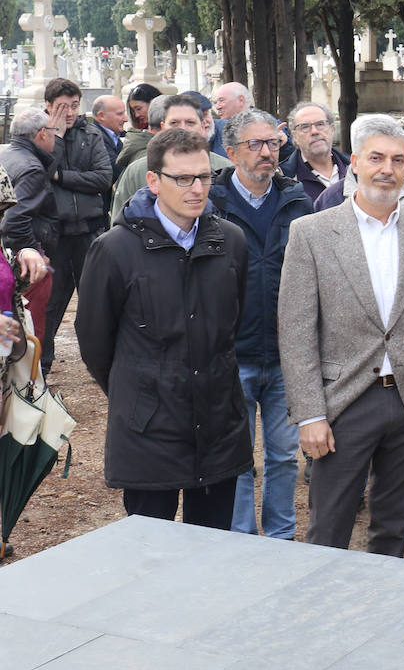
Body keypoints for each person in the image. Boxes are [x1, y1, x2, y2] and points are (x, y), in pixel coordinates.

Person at [279, 114, 404, 557]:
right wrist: (309, 415)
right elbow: (297, 329)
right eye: (376, 158)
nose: (388, 169)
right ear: (355, 162)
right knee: (328, 530)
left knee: (392, 528)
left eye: (398, 160)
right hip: (343, 403)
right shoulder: (313, 232)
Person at [75, 127, 251, 529]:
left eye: (204, 177)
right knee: (151, 553)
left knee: (212, 549)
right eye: (183, 178)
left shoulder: (230, 242)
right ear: (153, 180)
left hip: (218, 424)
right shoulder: (115, 250)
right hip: (149, 430)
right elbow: (95, 344)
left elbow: (231, 324)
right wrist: (144, 392)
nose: (197, 189)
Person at [209, 110, 314, 539]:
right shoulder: (212, 206)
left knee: (285, 455)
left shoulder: (297, 202)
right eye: (255, 144)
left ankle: (281, 536)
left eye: (272, 143)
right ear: (231, 152)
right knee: (236, 459)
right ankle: (241, 538)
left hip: (286, 355)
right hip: (233, 353)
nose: (267, 152)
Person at [42, 79, 114, 376]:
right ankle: (40, 368)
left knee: (96, 303)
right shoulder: (41, 134)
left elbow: (102, 177)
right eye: (62, 106)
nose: (69, 112)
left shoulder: (90, 133)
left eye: (74, 105)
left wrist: (63, 178)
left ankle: (104, 365)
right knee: (50, 305)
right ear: (48, 106)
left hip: (89, 230)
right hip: (55, 234)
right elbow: (42, 173)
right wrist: (56, 139)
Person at [112, 95, 234, 216]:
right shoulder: (137, 171)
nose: (182, 128)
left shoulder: (226, 169)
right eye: (174, 122)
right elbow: (120, 222)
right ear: (163, 127)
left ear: (203, 127)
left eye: (190, 122)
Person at [1, 110, 61, 349]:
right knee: (29, 332)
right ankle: (29, 382)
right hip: (24, 264)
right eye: (54, 132)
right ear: (43, 134)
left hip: (8, 256)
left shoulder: (8, 155)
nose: (55, 138)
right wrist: (32, 250)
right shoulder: (32, 168)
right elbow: (14, 218)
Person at [279, 102, 349, 204]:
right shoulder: (283, 179)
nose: (314, 131)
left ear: (332, 129)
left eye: (320, 124)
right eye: (305, 127)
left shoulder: (356, 170)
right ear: (295, 136)